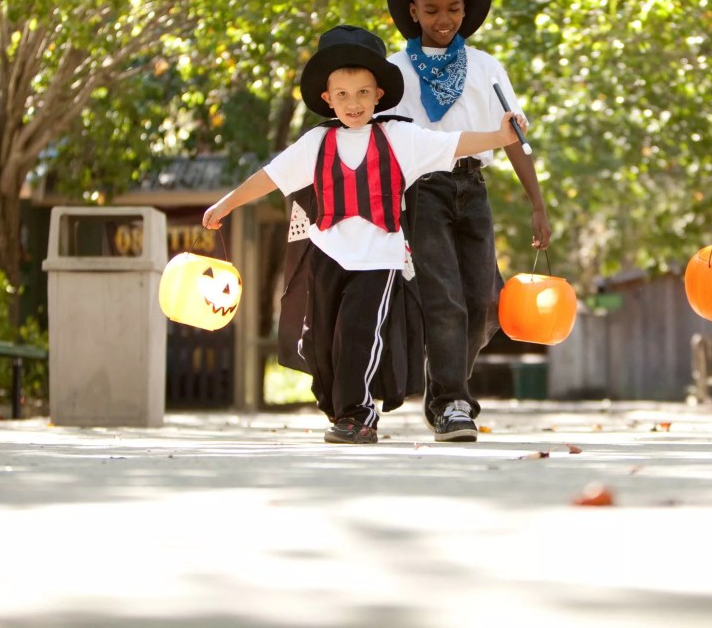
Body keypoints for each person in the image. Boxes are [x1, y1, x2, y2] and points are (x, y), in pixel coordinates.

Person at [202, 24, 525, 445]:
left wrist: (500, 136)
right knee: (323, 341)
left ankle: (359, 416)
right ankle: (340, 410)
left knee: (358, 333)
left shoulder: (399, 137)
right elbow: (269, 177)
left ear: (378, 95)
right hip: (326, 255)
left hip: (378, 260)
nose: (353, 103)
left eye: (362, 93)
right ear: (327, 98)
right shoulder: (315, 142)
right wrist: (225, 203)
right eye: (342, 94)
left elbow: (454, 143)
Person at [383, 0, 552, 442]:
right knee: (443, 298)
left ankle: (442, 382)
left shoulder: (486, 67)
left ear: (466, 9)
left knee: (482, 302)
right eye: (431, 10)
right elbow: (381, 141)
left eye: (453, 8)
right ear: (413, 12)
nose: (443, 19)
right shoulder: (394, 71)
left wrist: (537, 203)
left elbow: (513, 136)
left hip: (471, 186)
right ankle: (454, 401)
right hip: (421, 190)